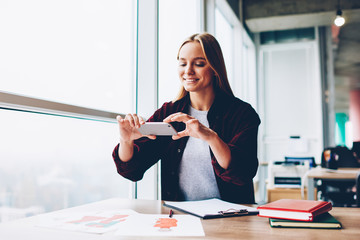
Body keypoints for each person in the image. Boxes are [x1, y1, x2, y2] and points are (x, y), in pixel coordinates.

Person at [112, 32, 261, 204]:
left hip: (231, 218)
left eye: (198, 64)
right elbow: (131, 171)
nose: (188, 71)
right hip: (181, 218)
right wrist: (126, 141)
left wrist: (211, 137)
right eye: (183, 63)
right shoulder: (170, 112)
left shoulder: (242, 113)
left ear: (214, 68)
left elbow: (242, 172)